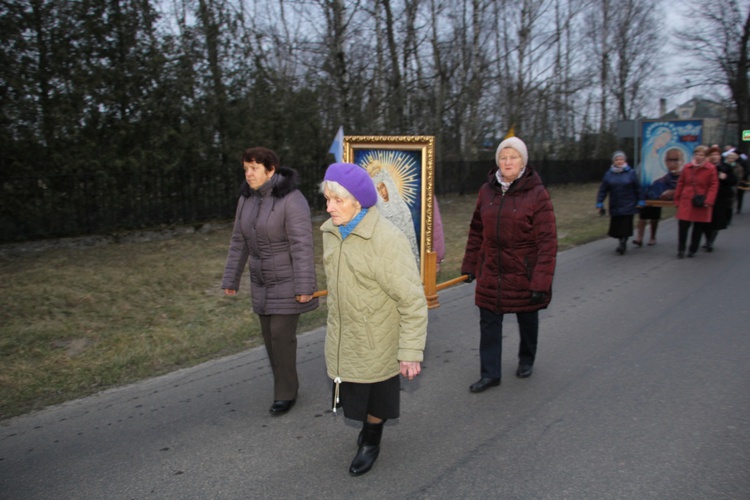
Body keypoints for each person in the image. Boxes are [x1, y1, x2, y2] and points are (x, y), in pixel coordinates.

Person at [319, 162, 428, 477]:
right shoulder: (330, 233)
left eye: (338, 200)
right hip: (344, 333)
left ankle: (371, 442)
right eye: (327, 199)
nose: (330, 207)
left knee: (376, 399)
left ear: (358, 201)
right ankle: (367, 430)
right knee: (353, 391)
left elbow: (411, 299)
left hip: (378, 337)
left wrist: (410, 351)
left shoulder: (386, 240)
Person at [222, 147, 318, 416]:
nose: (248, 174)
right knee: (269, 338)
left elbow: (302, 246)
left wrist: (304, 287)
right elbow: (238, 241)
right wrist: (232, 278)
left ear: (271, 169)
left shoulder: (292, 199)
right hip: (261, 282)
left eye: (253, 168)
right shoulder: (246, 200)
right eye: (245, 169)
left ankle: (286, 393)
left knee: (280, 336)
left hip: (288, 281)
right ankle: (285, 384)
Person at [460, 137, 557, 393]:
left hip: (523, 271)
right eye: (503, 157)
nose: (507, 162)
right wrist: (470, 264)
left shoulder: (537, 194)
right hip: (491, 268)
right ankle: (490, 374)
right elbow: (476, 230)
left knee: (527, 317)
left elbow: (547, 242)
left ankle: (526, 360)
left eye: (513, 157)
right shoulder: (486, 191)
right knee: (489, 321)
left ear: (523, 161)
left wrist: (541, 282)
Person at [674, 145, 719, 258]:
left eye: (701, 155)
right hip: (686, 200)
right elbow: (680, 183)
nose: (698, 157)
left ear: (705, 156)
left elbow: (713, 185)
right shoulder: (687, 167)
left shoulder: (710, 169)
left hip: (701, 201)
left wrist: (709, 200)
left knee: (698, 227)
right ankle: (681, 249)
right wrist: (677, 199)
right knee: (683, 225)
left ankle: (692, 249)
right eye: (696, 154)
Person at [596, 151, 644, 255]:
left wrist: (641, 200)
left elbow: (638, 188)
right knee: (616, 227)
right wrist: (599, 202)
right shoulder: (608, 174)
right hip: (615, 204)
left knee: (625, 226)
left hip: (629, 204)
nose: (619, 161)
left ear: (625, 160)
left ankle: (623, 243)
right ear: (614, 161)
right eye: (617, 160)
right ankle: (621, 241)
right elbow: (603, 190)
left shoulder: (631, 173)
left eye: (621, 159)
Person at [636, 148, 683, 246]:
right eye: (670, 160)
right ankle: (639, 237)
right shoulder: (658, 183)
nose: (672, 163)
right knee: (644, 214)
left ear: (682, 161)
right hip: (646, 197)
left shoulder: (687, 181)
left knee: (654, 216)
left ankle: (653, 237)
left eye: (676, 160)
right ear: (665, 162)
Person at [704, 146, 737, 251]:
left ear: (720, 156)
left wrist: (725, 177)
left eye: (716, 155)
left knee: (716, 220)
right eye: (712, 155)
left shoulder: (726, 167)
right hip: (706, 196)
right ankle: (708, 238)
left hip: (720, 197)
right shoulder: (706, 167)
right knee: (705, 221)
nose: (714, 157)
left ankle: (710, 242)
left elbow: (733, 181)